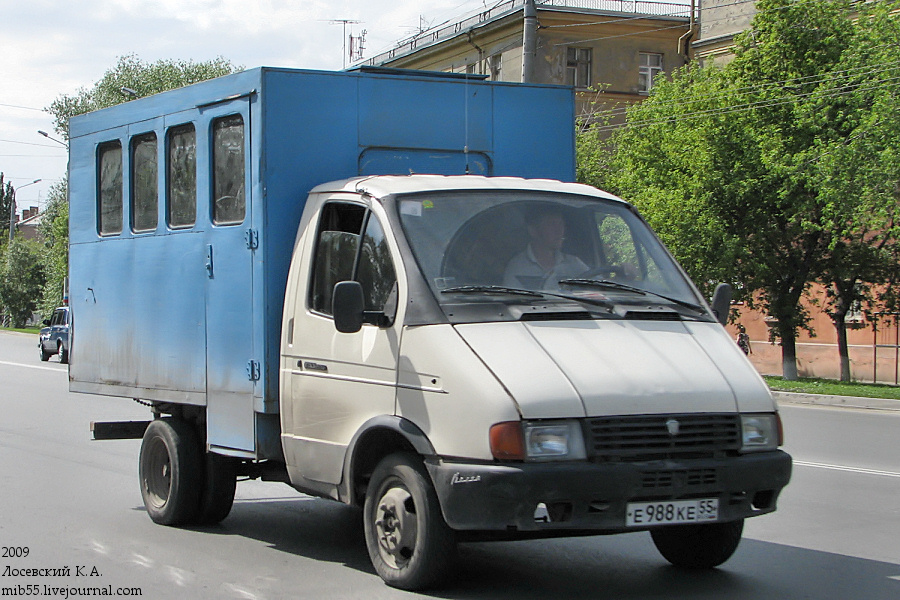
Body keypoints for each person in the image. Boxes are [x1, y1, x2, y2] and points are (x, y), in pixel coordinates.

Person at [503, 208, 587, 290]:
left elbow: (597, 287)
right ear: (533, 230)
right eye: (552, 224)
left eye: (561, 224)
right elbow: (511, 300)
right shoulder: (517, 267)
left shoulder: (574, 264)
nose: (559, 231)